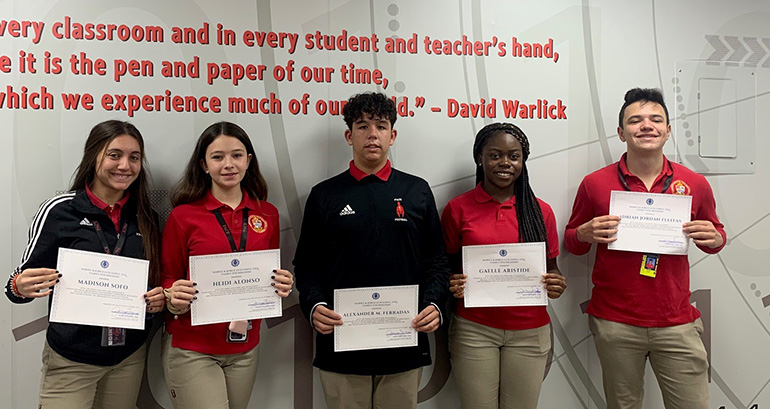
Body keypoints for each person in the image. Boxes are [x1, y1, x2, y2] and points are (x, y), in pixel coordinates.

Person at [564, 88, 726, 409]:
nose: (646, 125)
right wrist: (582, 233)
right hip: (616, 322)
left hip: (676, 320)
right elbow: (573, 242)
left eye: (656, 119)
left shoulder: (694, 183)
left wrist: (715, 238)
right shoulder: (594, 183)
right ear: (621, 133)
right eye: (635, 120)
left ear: (668, 130)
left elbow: (716, 237)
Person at [293, 92, 450, 409]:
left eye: (380, 126)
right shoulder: (324, 195)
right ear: (349, 135)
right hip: (341, 342)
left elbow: (437, 261)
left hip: (403, 340)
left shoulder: (416, 190)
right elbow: (306, 264)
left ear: (392, 135)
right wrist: (314, 305)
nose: (372, 134)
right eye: (363, 126)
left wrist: (434, 302)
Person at [4, 120, 164, 409]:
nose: (125, 165)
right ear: (94, 156)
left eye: (134, 157)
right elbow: (20, 281)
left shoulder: (147, 217)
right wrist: (19, 286)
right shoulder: (59, 210)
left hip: (127, 358)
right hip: (71, 357)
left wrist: (158, 298)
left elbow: (155, 282)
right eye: (114, 155)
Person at [161, 121, 294, 409]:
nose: (228, 164)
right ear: (204, 165)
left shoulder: (267, 214)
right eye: (217, 157)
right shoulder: (183, 216)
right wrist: (173, 296)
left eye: (236, 155)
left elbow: (267, 275)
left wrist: (281, 285)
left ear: (249, 160)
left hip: (245, 347)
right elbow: (168, 276)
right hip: (193, 347)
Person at [441, 122, 567, 409]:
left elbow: (552, 268)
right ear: (480, 158)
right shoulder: (458, 209)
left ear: (523, 161)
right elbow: (447, 267)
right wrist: (453, 282)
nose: (505, 163)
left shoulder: (541, 212)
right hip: (474, 330)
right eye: (495, 155)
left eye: (514, 156)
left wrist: (557, 282)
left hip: (530, 332)